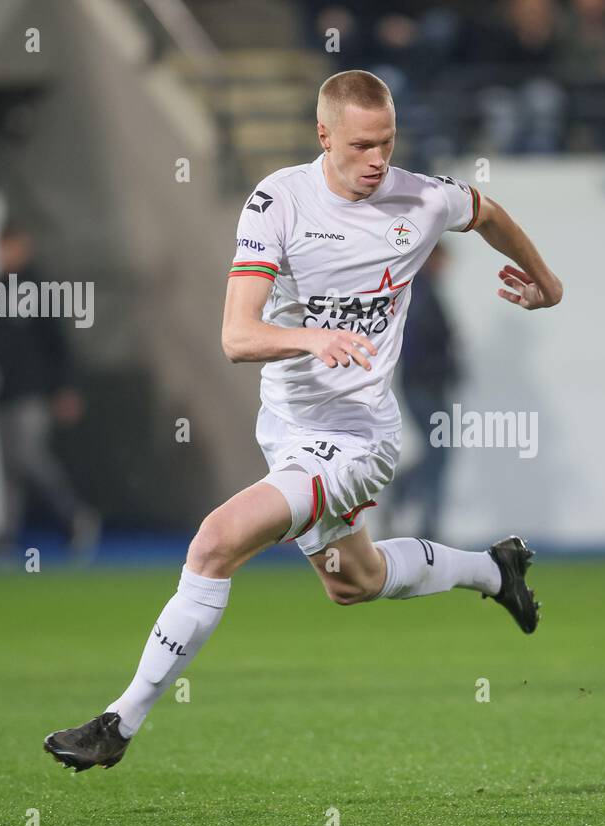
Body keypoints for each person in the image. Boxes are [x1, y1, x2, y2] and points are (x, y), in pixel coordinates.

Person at [44, 70, 563, 772]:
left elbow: (488, 212)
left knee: (214, 541)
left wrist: (547, 282)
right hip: (286, 428)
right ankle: (493, 570)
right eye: (360, 145)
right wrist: (311, 337)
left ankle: (119, 722)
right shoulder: (278, 201)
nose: (378, 159)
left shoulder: (422, 198)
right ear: (324, 136)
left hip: (357, 440)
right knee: (355, 580)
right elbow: (237, 336)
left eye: (387, 142)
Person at [0, 222, 98, 557]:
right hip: (1, 393)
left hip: (33, 392)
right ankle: (8, 533)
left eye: (14, 246)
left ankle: (75, 517)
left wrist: (65, 388)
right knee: (7, 467)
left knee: (29, 458)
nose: (9, 253)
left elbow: (58, 344)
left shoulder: (41, 289)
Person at [388, 244, 460, 538]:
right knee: (438, 455)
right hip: (425, 387)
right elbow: (414, 343)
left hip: (426, 385)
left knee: (437, 454)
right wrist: (435, 371)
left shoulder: (424, 290)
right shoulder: (421, 292)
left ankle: (412, 504)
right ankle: (425, 521)